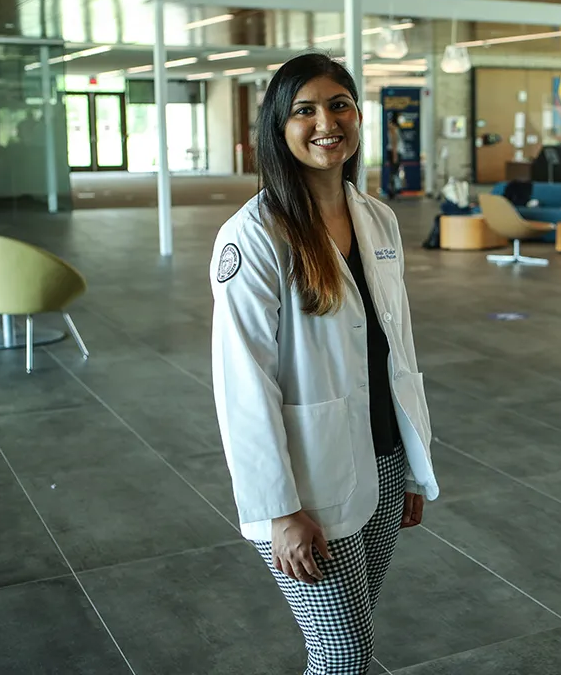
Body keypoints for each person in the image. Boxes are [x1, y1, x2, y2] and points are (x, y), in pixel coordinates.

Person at [210, 52, 439, 674]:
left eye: (339, 105)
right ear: (278, 129)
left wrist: (415, 466)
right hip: (307, 479)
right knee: (343, 652)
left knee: (353, 637)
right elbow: (243, 383)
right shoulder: (254, 236)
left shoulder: (378, 218)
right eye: (304, 111)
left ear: (358, 115)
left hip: (385, 458)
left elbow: (398, 344)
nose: (325, 123)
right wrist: (279, 510)